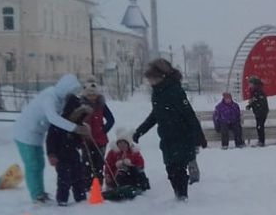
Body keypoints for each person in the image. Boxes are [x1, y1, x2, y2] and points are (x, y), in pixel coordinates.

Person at [133, 59, 207, 200]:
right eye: (149, 79)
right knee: (170, 168)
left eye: (152, 78)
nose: (150, 81)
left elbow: (188, 114)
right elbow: (156, 114)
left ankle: (182, 195)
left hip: (181, 135)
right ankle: (178, 193)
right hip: (166, 137)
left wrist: (199, 136)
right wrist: (140, 131)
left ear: (161, 76)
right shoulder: (156, 93)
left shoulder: (175, 90)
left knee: (179, 168)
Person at [12, 73, 91, 202]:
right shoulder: (49, 97)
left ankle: (40, 192)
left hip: (37, 134)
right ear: (64, 88)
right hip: (24, 133)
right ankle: (36, 195)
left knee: (39, 164)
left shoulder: (60, 99)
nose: (69, 95)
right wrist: (75, 128)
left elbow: (65, 118)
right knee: (33, 165)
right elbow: (53, 118)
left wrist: (80, 124)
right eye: (69, 91)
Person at [45, 94, 92, 207]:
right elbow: (50, 140)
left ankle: (80, 197)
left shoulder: (76, 125)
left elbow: (78, 140)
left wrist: (83, 138)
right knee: (63, 180)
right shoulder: (57, 123)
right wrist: (51, 154)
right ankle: (62, 199)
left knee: (78, 177)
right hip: (60, 156)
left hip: (73, 154)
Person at [80, 78, 115, 185]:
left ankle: (98, 184)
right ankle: (87, 185)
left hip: (100, 139)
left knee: (99, 163)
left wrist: (103, 130)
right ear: (85, 95)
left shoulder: (101, 105)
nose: (92, 98)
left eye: (94, 95)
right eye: (89, 95)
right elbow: (75, 120)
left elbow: (111, 120)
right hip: (85, 139)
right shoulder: (81, 106)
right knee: (87, 163)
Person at [103, 129, 150, 198]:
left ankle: (136, 187)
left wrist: (131, 165)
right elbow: (108, 167)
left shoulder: (134, 152)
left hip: (132, 176)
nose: (122, 145)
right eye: (120, 143)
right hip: (117, 178)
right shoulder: (112, 153)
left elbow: (141, 165)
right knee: (121, 172)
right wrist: (108, 176)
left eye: (124, 143)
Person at [245, 76, 269, 146]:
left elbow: (258, 100)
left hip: (262, 111)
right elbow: (253, 100)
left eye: (250, 83)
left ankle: (261, 141)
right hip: (258, 111)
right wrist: (250, 105)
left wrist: (253, 104)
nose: (249, 85)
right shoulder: (253, 90)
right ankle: (260, 140)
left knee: (260, 126)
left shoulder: (258, 91)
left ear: (254, 84)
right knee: (259, 126)